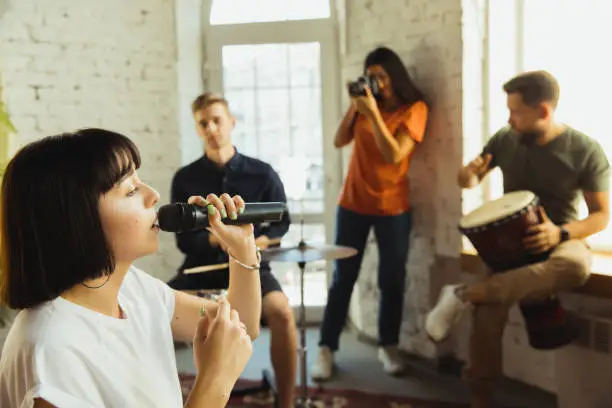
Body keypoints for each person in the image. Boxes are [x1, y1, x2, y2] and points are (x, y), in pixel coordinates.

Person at [0, 128, 262, 408]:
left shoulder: (132, 289)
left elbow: (239, 325)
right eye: (131, 190)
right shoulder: (52, 350)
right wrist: (215, 381)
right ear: (78, 220)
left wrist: (242, 247)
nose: (154, 195)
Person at [425, 70, 610, 408]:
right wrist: (467, 174)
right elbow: (468, 179)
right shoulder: (506, 139)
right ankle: (481, 398)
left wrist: (560, 233)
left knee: (573, 268)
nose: (509, 119)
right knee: (487, 316)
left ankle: (464, 294)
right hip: (509, 240)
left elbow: (601, 215)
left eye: (516, 112)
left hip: (560, 235)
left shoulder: (585, 149)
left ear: (543, 111)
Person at [166, 92, 298, 408]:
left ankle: (288, 402)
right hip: (198, 269)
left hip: (252, 266)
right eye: (203, 123)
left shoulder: (263, 173)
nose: (212, 128)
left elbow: (281, 225)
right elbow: (185, 241)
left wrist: (246, 245)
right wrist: (223, 239)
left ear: (231, 123)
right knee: (150, 313)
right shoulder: (185, 179)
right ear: (197, 129)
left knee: (281, 313)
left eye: (217, 120)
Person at [310, 46, 429, 380]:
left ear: (395, 77)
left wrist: (374, 113)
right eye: (371, 76)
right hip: (353, 203)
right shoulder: (363, 107)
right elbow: (338, 141)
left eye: (382, 76)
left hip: (393, 208)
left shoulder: (414, 109)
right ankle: (325, 348)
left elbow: (395, 155)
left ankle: (388, 345)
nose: (377, 83)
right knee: (343, 277)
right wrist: (356, 107)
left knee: (391, 279)